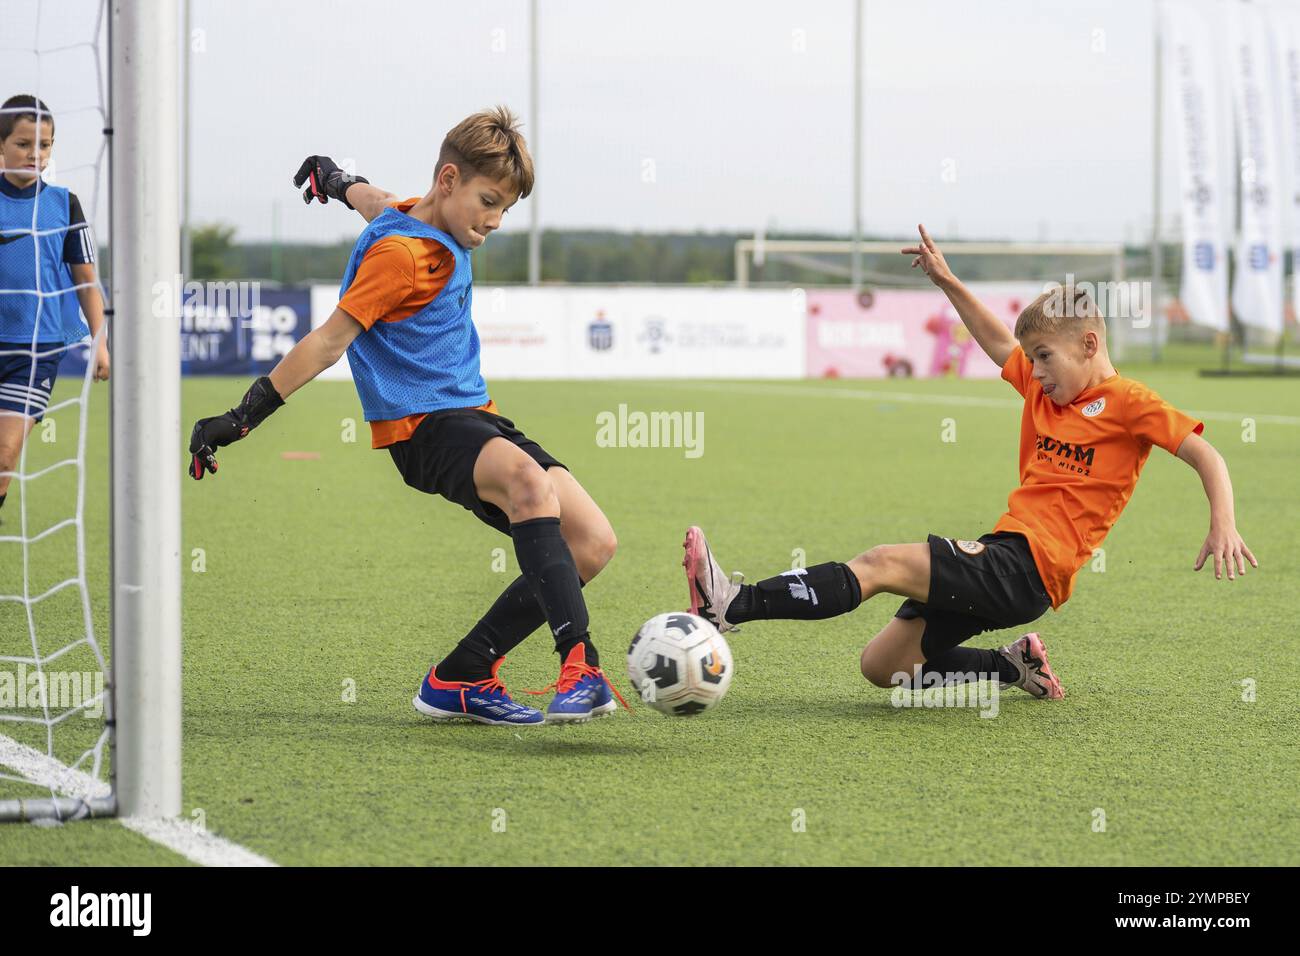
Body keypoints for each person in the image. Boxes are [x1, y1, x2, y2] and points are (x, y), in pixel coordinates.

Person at [683, 225, 1257, 699]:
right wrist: (948, 282)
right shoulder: (1044, 386)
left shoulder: (1130, 402)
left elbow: (1204, 452)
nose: (1035, 369)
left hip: (1032, 568)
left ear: (1089, 344)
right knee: (885, 668)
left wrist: (1223, 521)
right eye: (1032, 358)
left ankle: (734, 603)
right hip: (1007, 557)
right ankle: (1014, 668)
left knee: (881, 562)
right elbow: (997, 343)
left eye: (1045, 356)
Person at [187, 107, 624, 725]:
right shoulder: (401, 257)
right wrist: (243, 417)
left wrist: (333, 178)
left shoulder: (407, 209)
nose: (495, 221)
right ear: (450, 179)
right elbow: (329, 340)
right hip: (423, 428)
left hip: (476, 417)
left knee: (592, 543)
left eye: (506, 209)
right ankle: (580, 665)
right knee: (531, 486)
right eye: (489, 201)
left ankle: (462, 675)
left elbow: (371, 198)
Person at [0, 94, 109, 521]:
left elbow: (87, 282)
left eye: (44, 145)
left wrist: (100, 343)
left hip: (35, 351)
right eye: (24, 143)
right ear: (1, 145)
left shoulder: (65, 205)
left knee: (5, 456)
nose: (35, 154)